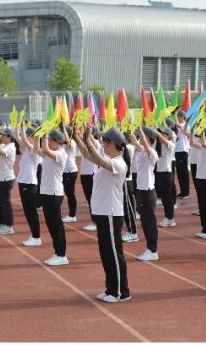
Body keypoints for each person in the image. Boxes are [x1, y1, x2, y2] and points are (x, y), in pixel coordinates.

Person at [78, 127, 132, 303]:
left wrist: (87, 139)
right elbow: (88, 155)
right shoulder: (109, 159)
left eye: (104, 142)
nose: (102, 144)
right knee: (106, 252)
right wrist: (78, 137)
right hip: (102, 212)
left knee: (113, 253)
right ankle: (111, 288)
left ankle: (120, 292)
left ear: (112, 144)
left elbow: (98, 159)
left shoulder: (119, 163)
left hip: (111, 212)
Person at [36, 129, 69, 265]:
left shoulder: (61, 154)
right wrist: (38, 137)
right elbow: (38, 150)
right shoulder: (51, 153)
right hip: (47, 192)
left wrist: (43, 135)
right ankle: (57, 252)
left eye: (50, 139)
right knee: (51, 224)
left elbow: (45, 150)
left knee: (56, 225)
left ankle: (61, 255)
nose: (48, 141)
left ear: (56, 141)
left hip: (54, 193)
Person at [132, 127, 161, 261]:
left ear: (148, 139)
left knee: (149, 222)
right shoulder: (143, 151)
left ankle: (152, 250)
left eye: (143, 137)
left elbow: (142, 141)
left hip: (148, 192)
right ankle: (150, 248)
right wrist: (130, 130)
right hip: (141, 190)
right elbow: (135, 141)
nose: (139, 138)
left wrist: (140, 130)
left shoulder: (152, 153)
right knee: (144, 221)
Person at [15, 127, 43, 246]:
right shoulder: (28, 149)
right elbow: (19, 139)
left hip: (29, 184)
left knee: (31, 212)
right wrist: (18, 127)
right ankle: (34, 235)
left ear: (34, 138)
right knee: (28, 212)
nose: (25, 137)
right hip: (24, 183)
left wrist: (22, 127)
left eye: (28, 135)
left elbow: (25, 141)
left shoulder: (35, 149)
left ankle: (36, 237)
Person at [0, 128, 18, 235]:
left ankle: (9, 226)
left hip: (5, 178)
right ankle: (6, 223)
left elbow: (0, 152)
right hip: (0, 178)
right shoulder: (4, 146)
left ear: (9, 137)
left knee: (6, 203)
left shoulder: (11, 147)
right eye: (1, 135)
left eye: (3, 135)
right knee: (3, 202)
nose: (1, 137)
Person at [154, 122, 178, 228]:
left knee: (168, 197)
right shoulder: (158, 144)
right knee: (163, 197)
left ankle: (170, 218)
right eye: (162, 133)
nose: (162, 135)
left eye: (164, 133)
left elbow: (162, 139)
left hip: (167, 173)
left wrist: (157, 131)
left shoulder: (170, 144)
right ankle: (167, 217)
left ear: (168, 135)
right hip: (159, 172)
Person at [174, 111, 192, 199]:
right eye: (178, 116)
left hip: (183, 150)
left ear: (183, 117)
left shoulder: (185, 125)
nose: (178, 118)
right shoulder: (177, 127)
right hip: (177, 150)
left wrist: (174, 114)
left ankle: (186, 192)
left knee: (184, 172)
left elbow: (177, 124)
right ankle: (182, 191)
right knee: (179, 172)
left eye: (179, 116)